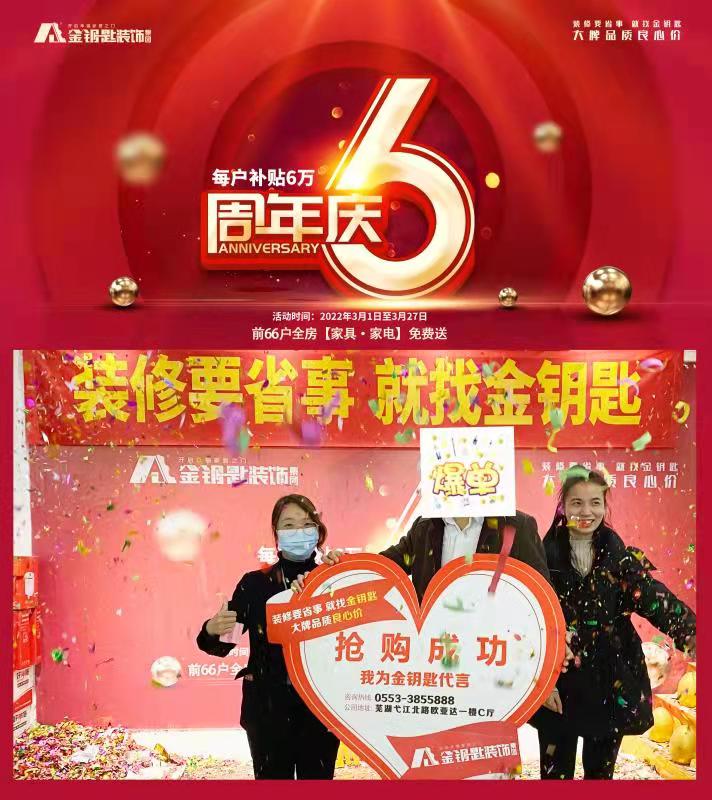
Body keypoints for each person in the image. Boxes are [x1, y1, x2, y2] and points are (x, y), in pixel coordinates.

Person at [531, 466, 696, 780]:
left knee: (600, 774)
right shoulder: (543, 555)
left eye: (595, 502)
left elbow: (654, 599)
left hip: (608, 681)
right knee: (554, 776)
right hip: (559, 681)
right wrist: (541, 681)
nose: (586, 511)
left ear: (605, 506)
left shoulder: (619, 557)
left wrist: (693, 634)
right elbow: (528, 618)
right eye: (577, 502)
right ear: (563, 506)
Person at [196, 494, 340, 780]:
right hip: (268, 711)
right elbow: (222, 643)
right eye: (289, 525)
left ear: (318, 530)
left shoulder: (333, 579)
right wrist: (212, 629)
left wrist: (345, 574)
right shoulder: (255, 584)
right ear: (276, 533)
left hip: (320, 710)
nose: (299, 532)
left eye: (307, 524)